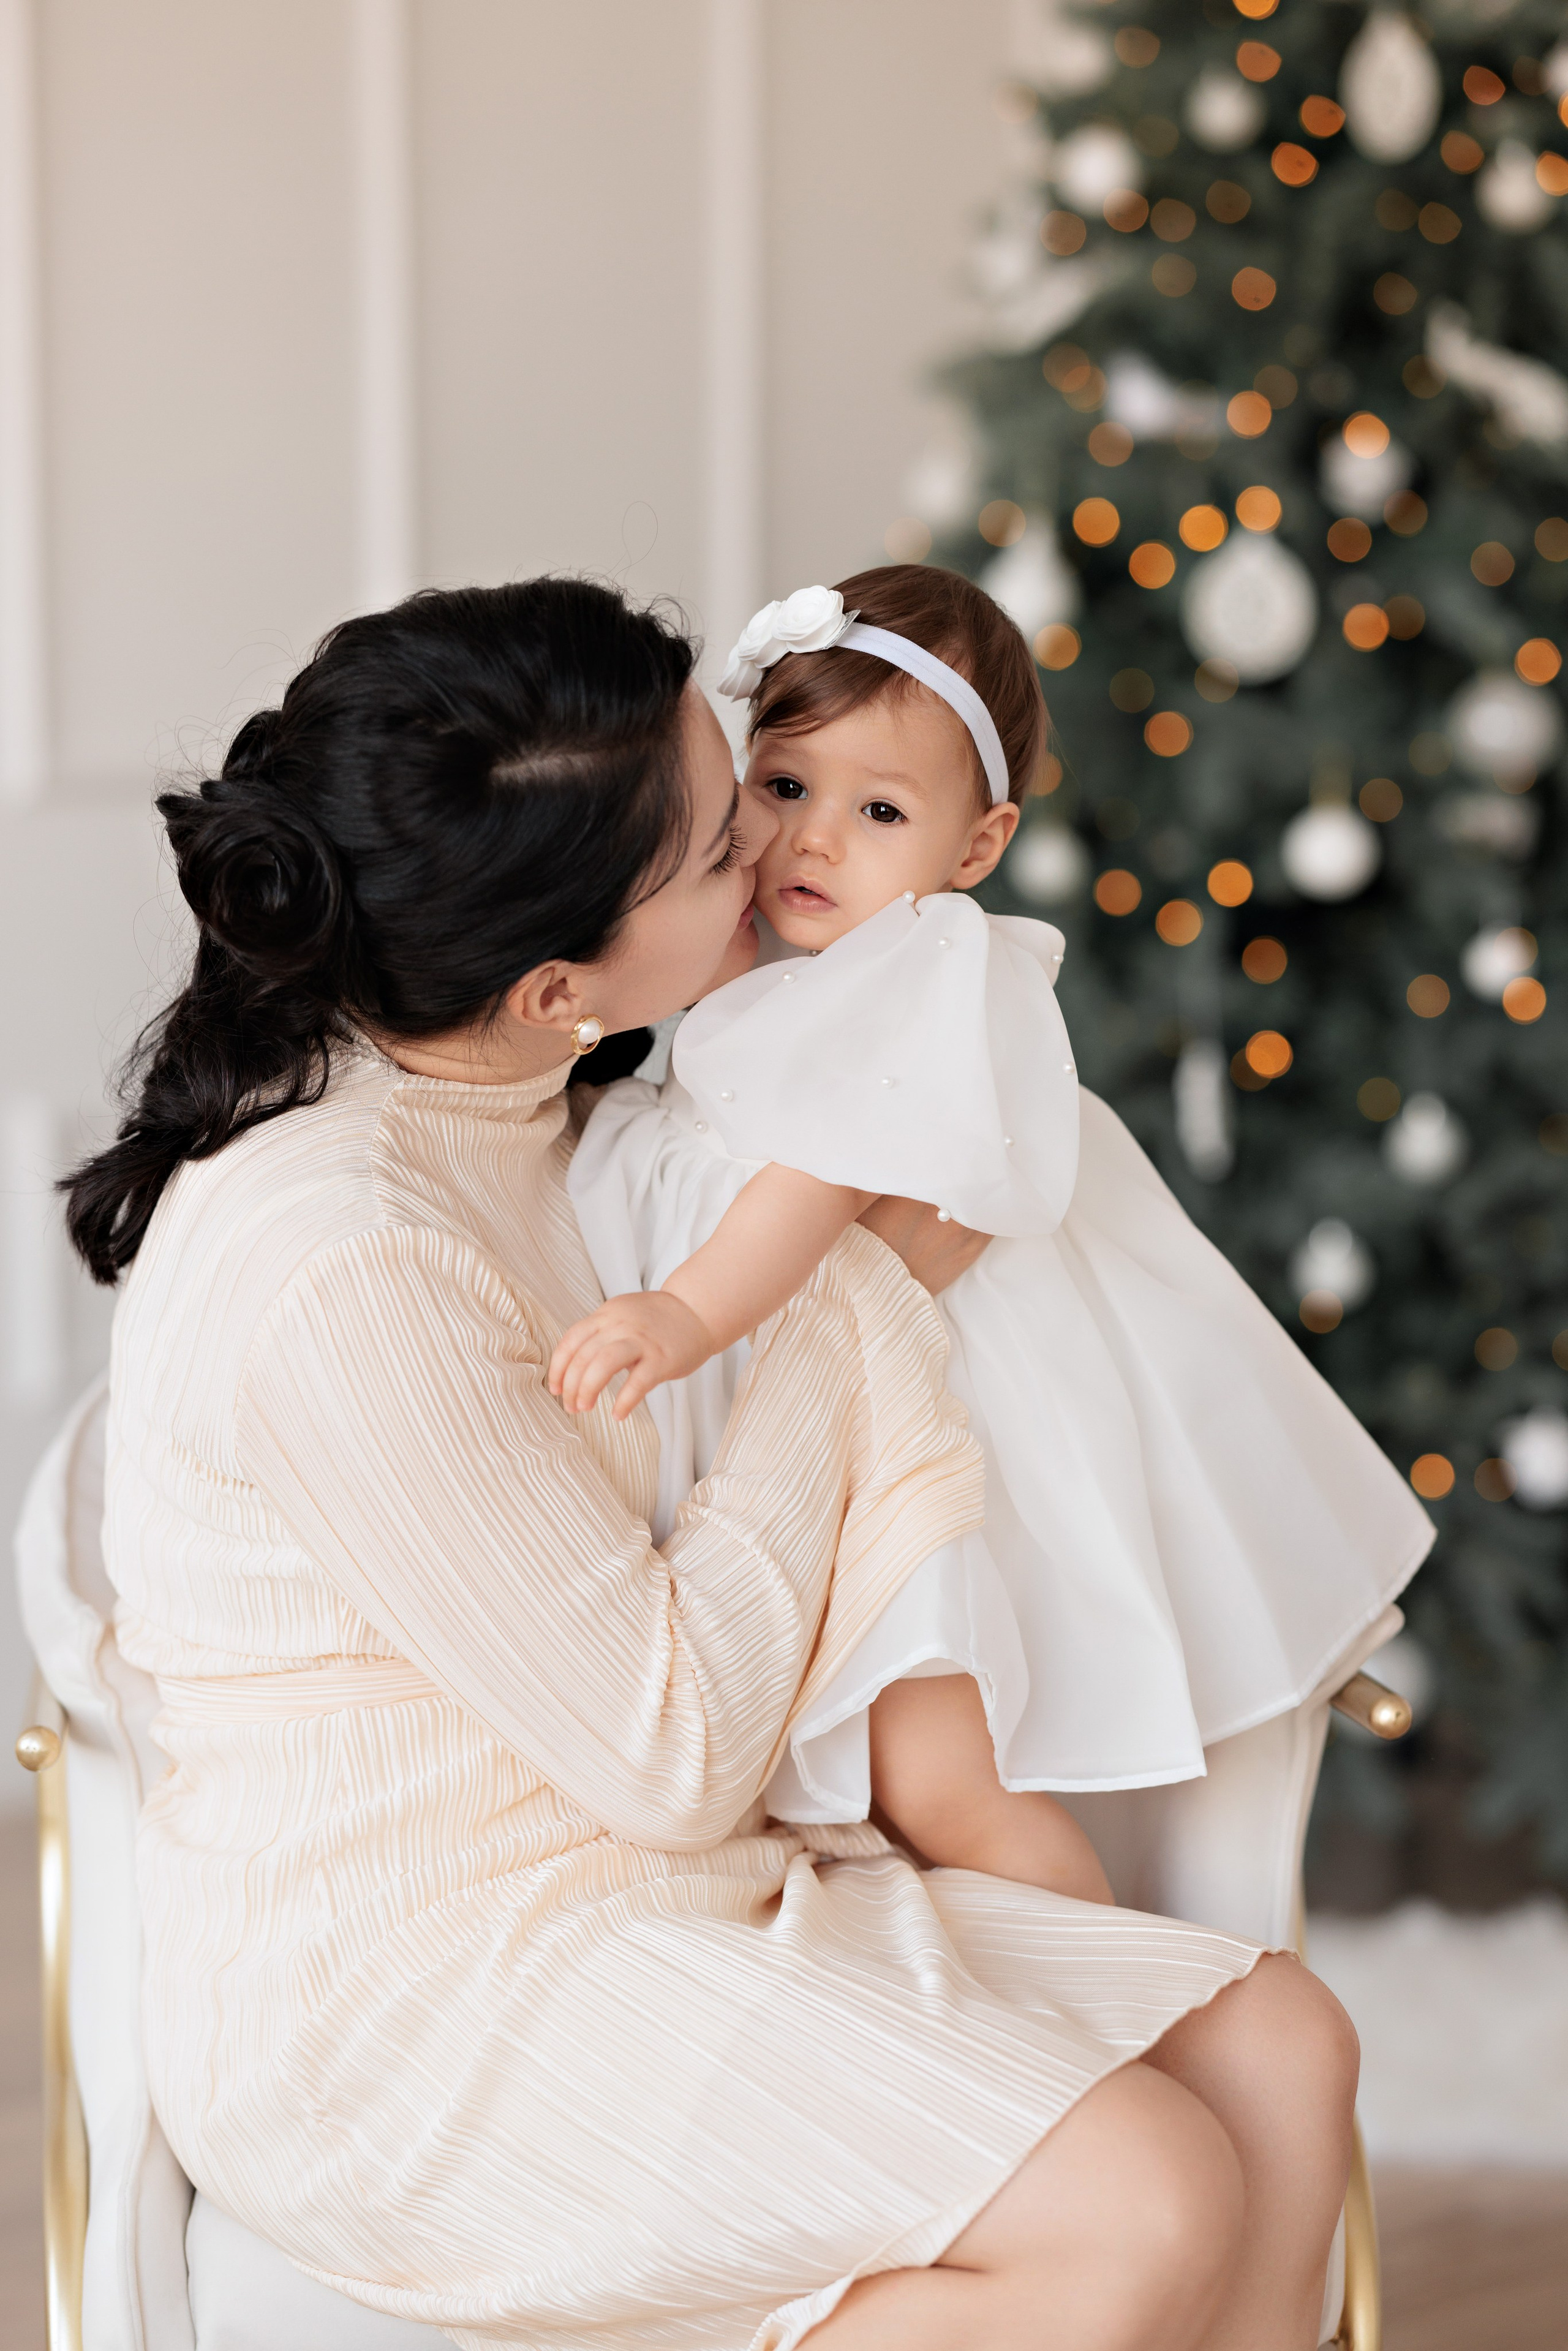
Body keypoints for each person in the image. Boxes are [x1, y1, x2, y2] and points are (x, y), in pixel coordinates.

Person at [66, 578, 1357, 2351]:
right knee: (1147, 2197)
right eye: (714, 841)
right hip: (431, 1991)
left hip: (673, 1879)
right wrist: (853, 1307)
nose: (768, 847)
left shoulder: (550, 1106)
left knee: (1286, 2049)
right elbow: (668, 1745)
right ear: (555, 982)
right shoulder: (340, 1251)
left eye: (736, 774)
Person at [558, 565, 1432, 1892]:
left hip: (929, 1430)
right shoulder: (776, 958)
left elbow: (812, 1185)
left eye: (880, 811)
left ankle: (1120, 2016)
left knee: (937, 1782)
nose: (811, 840)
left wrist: (684, 1312)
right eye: (784, 786)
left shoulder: (913, 974)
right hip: (824, 1390)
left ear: (971, 848)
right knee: (875, 1787)